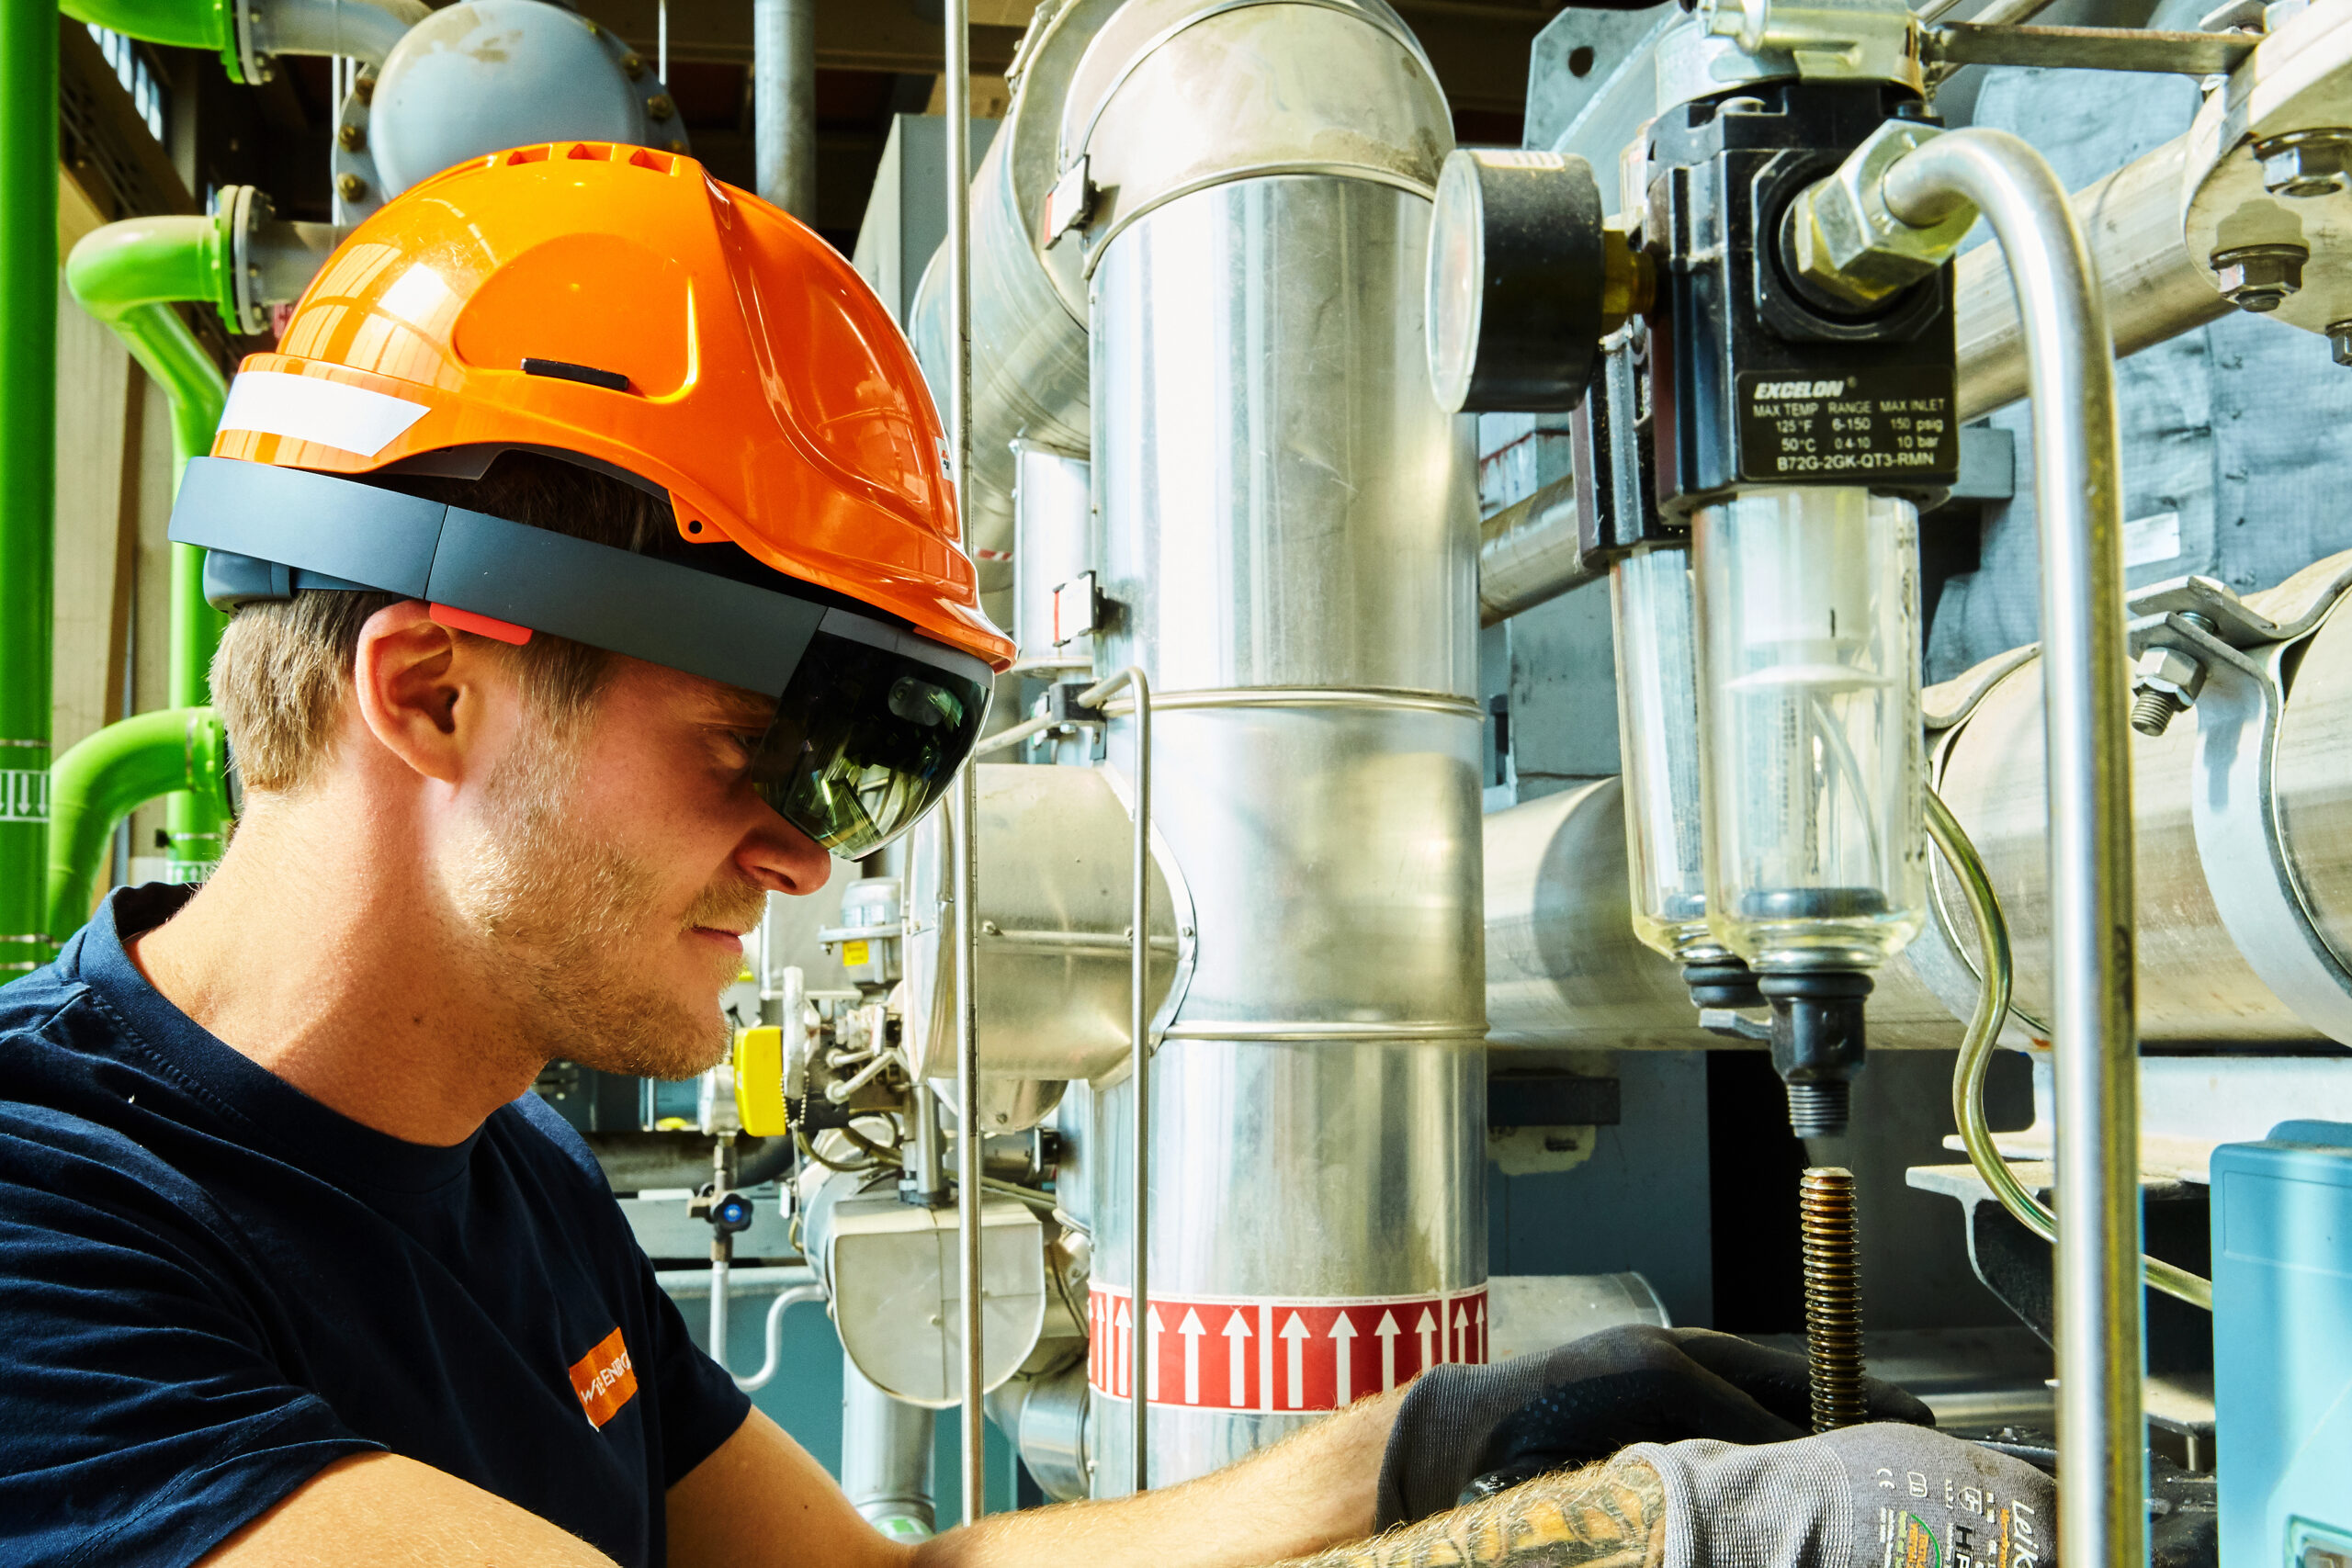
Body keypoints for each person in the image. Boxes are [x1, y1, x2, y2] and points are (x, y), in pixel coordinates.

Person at [0, 143, 2052, 1568]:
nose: (801, 858)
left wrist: (1443, 1442)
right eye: (749, 745)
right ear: (430, 692)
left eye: (851, 773)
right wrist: (1639, 1543)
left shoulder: (507, 1171)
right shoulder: (43, 1233)